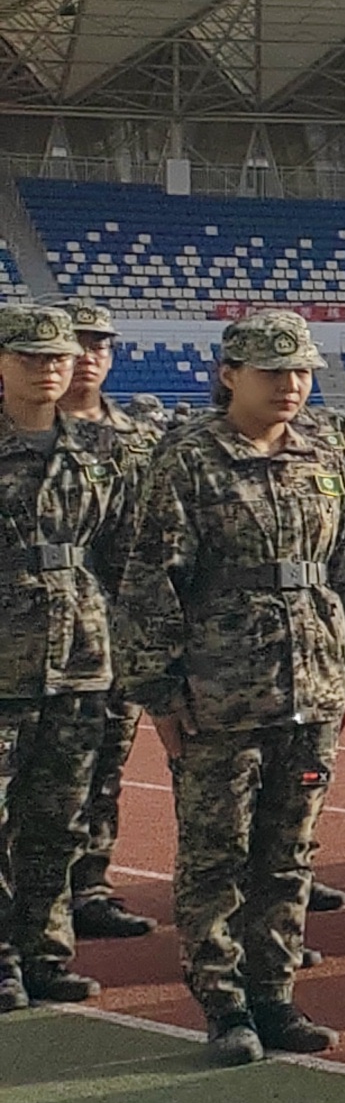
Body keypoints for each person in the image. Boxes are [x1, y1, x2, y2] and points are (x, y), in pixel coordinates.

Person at [117, 309, 345, 1064]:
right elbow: (152, 579)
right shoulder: (190, 460)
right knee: (217, 852)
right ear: (230, 375)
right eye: (273, 372)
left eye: (301, 372)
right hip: (221, 689)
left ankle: (275, 992)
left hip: (312, 684)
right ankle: (224, 1002)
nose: (291, 384)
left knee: (290, 852)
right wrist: (161, 690)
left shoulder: (323, 452)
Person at [0, 303, 119, 1013]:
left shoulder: (99, 448)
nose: (47, 368)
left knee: (58, 816)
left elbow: (125, 549)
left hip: (80, 656)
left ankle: (44, 951)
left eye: (57, 357)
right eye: (29, 356)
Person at [56, 304, 152, 948]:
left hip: (112, 630)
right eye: (78, 344)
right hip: (30, 630)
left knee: (104, 764)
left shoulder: (135, 440)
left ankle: (88, 885)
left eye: (101, 345)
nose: (89, 356)